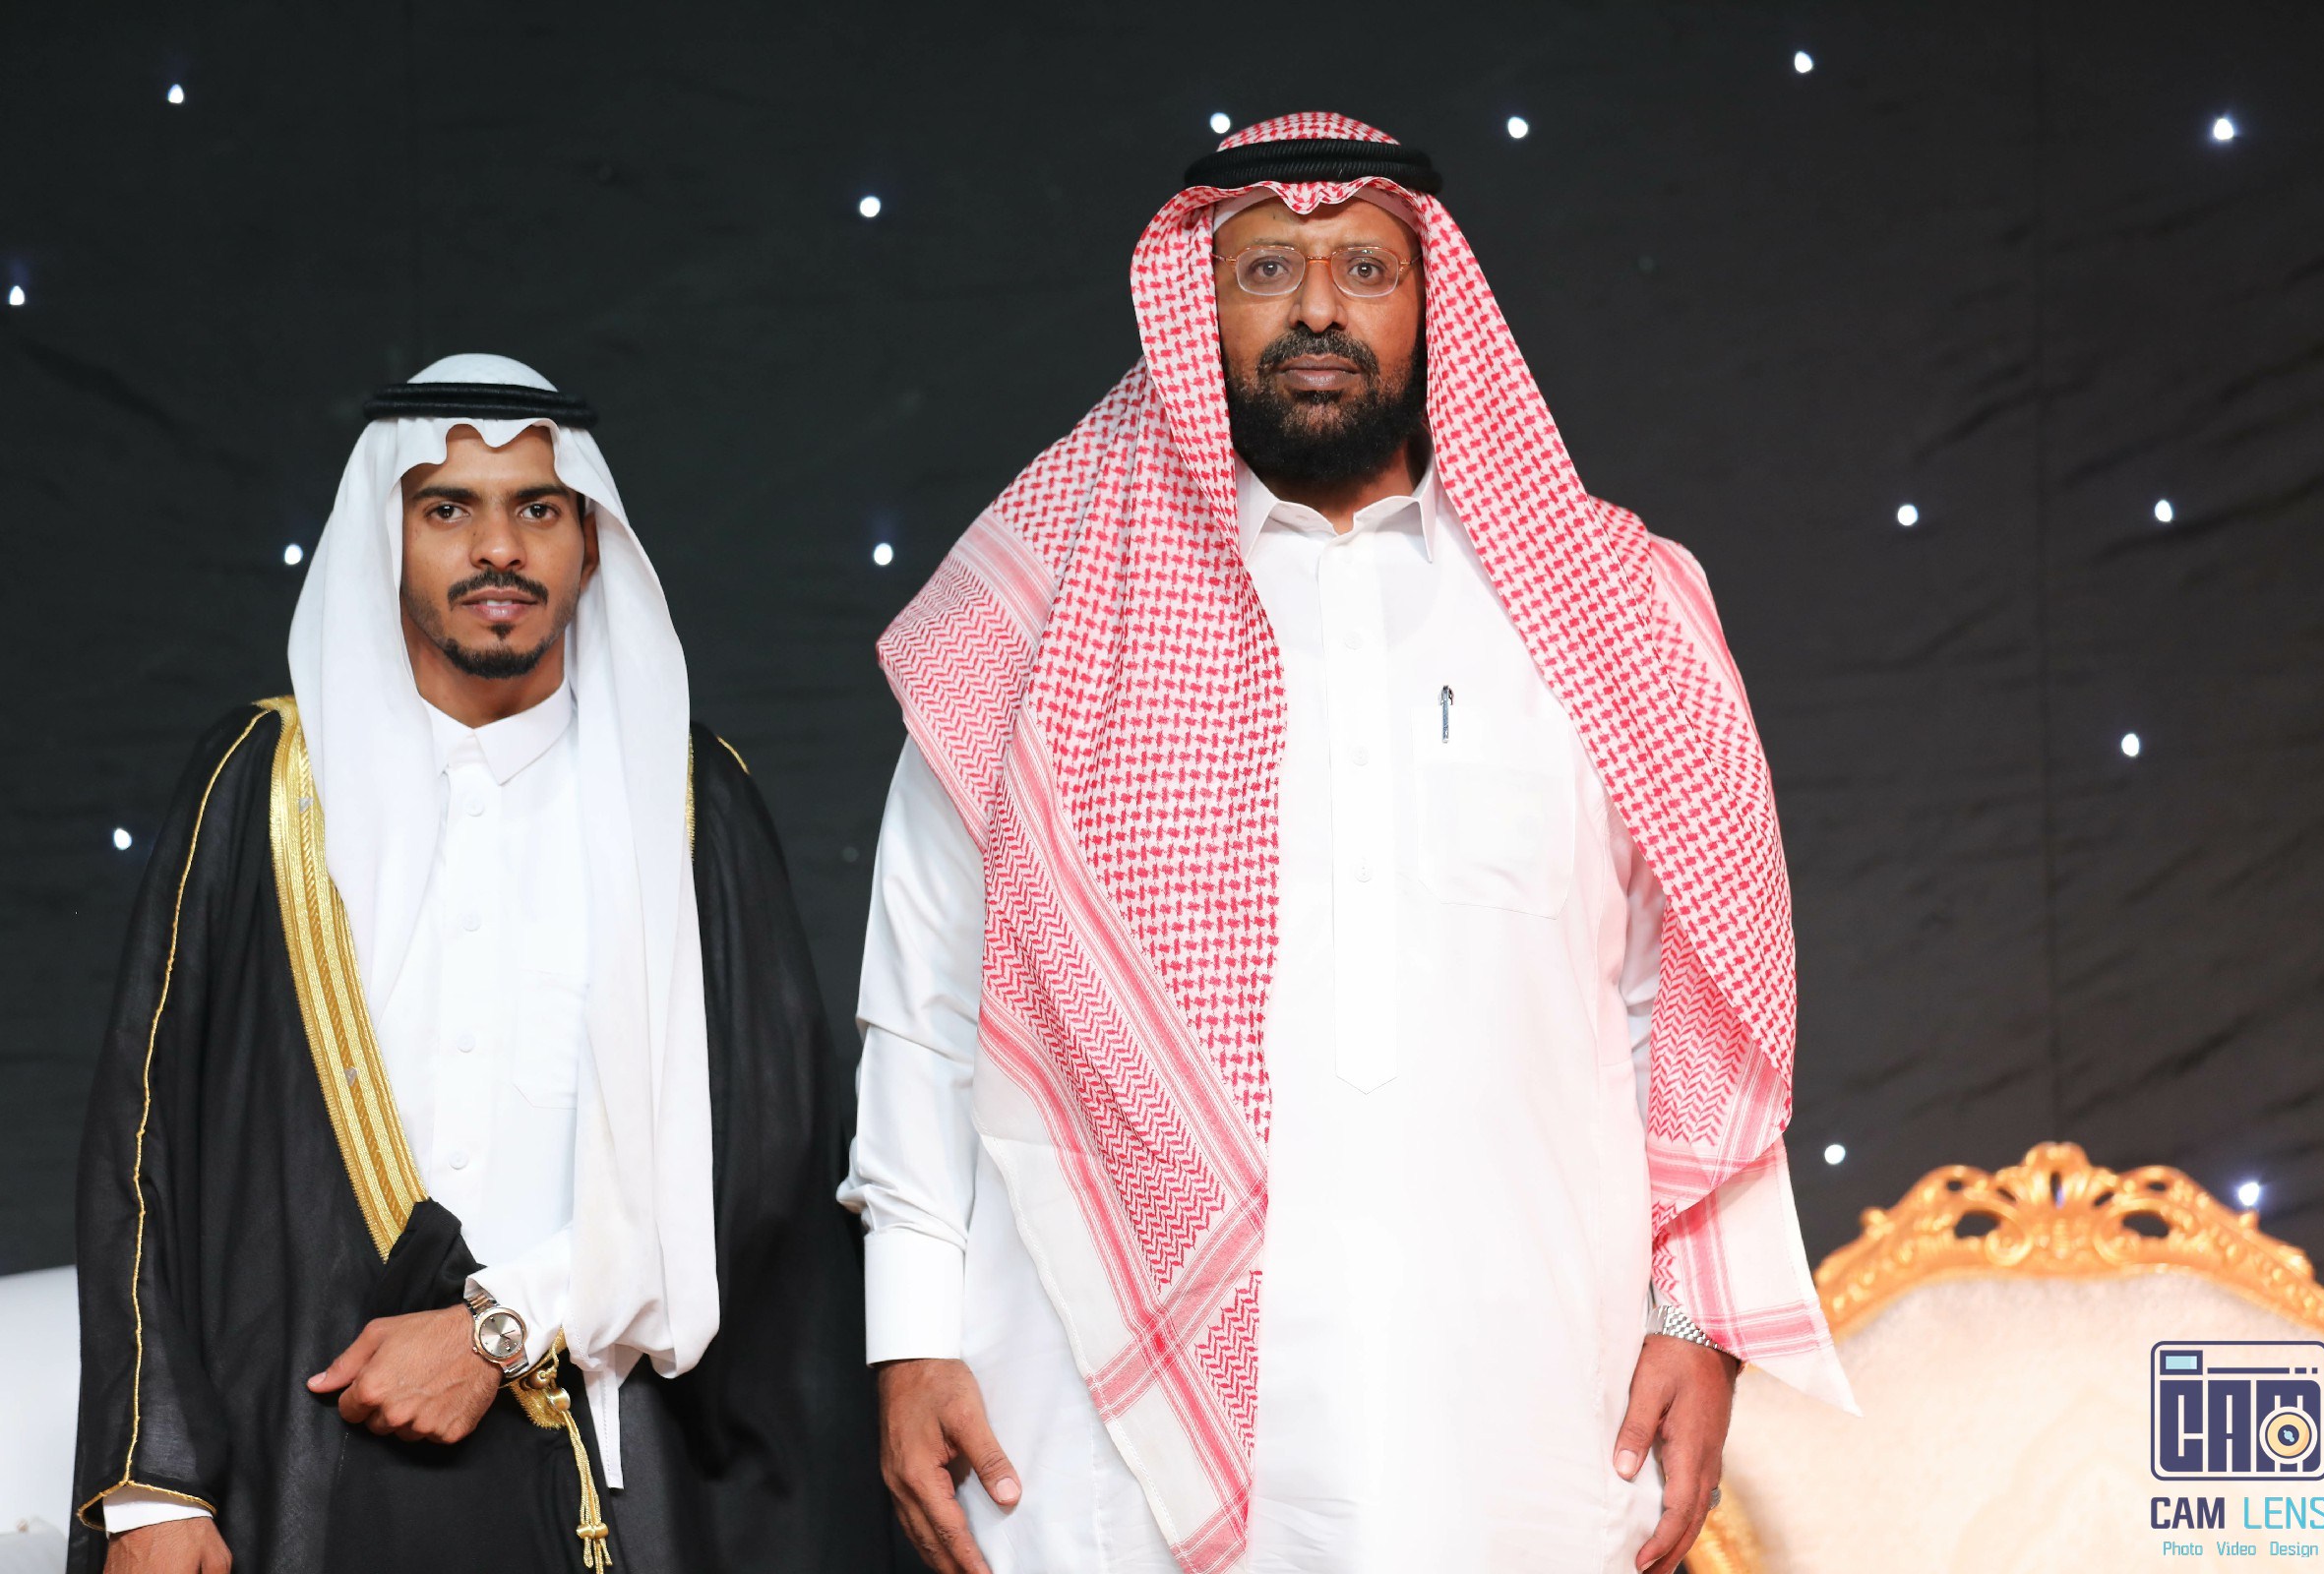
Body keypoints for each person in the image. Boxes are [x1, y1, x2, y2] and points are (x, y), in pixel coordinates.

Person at [842, 114, 1855, 1574]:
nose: (1317, 308)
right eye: (1267, 267)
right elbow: (928, 998)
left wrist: (1695, 1317)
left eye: (1365, 267)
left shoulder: (1612, 605)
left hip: (1517, 1393)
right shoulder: (1044, 603)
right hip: (1099, 1404)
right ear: (1200, 302)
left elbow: (1681, 998)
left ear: (1433, 300)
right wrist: (911, 1330)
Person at [70, 355, 888, 1574]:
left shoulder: (688, 800)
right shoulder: (264, 786)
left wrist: (501, 1325)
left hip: (610, 1462)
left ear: (591, 546)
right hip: (296, 1469)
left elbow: (765, 1151)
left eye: (537, 509)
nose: (497, 547)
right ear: (386, 537)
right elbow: (144, 1144)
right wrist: (152, 1489)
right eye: (448, 507)